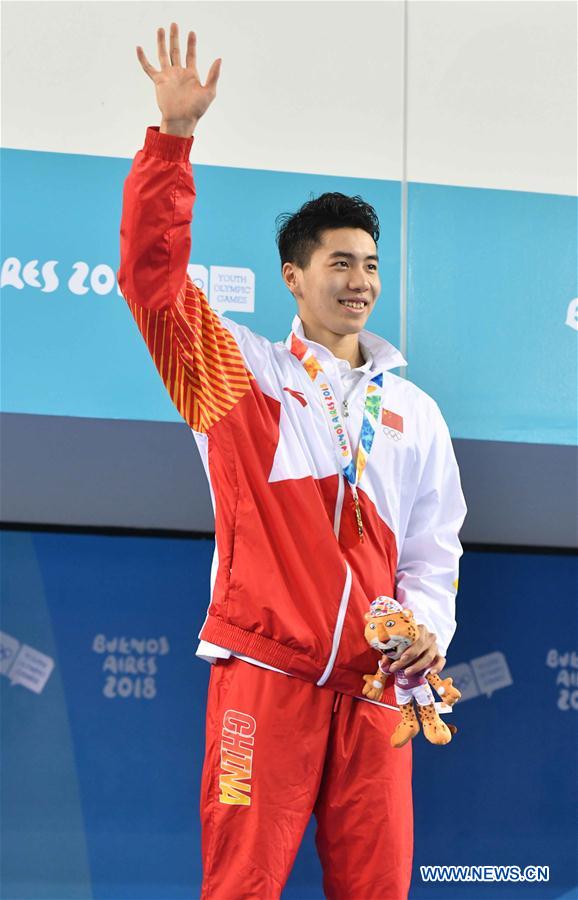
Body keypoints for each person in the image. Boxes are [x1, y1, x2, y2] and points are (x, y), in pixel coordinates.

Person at [117, 23, 467, 900]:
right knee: (241, 887)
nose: (360, 280)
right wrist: (173, 141)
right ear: (291, 276)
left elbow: (433, 553)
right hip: (266, 679)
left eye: (372, 265)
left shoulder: (415, 414)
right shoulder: (240, 378)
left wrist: (427, 633)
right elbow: (151, 280)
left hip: (379, 693)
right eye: (340, 262)